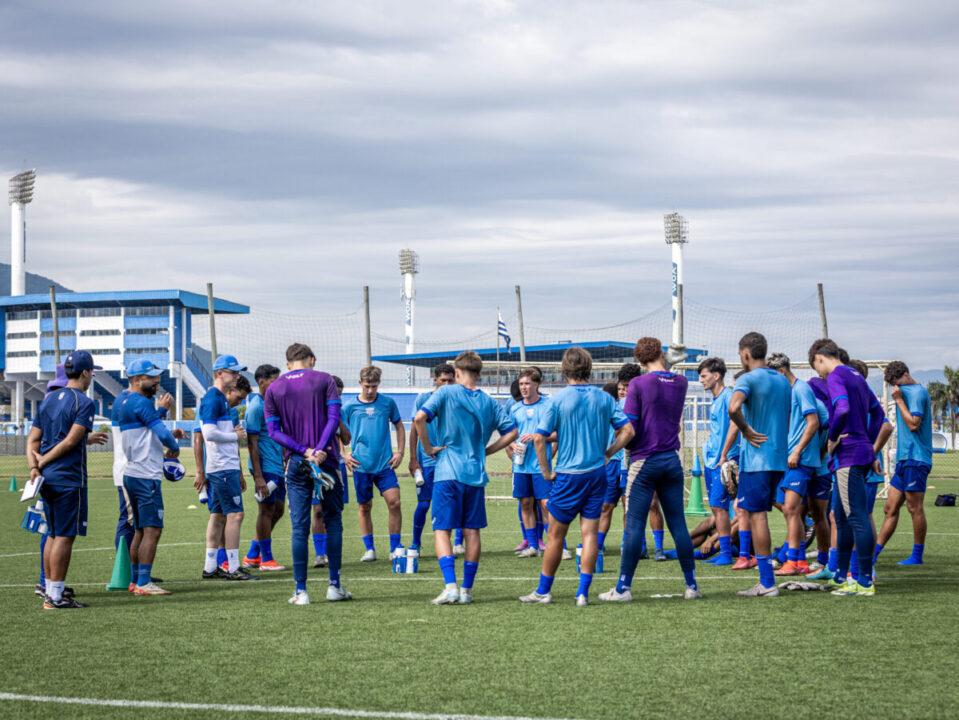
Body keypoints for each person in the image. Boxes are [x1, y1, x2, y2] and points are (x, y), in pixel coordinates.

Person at [518, 347, 632, 606]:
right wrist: (608, 453)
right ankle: (582, 593)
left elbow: (538, 437)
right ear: (589, 368)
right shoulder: (605, 398)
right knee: (589, 535)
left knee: (556, 535)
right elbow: (628, 430)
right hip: (596, 474)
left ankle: (543, 591)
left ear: (564, 369)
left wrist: (546, 471)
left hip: (569, 475)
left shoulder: (558, 400)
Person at [413, 351, 517, 605]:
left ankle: (450, 586)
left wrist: (427, 448)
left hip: (447, 472)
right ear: (479, 374)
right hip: (475, 475)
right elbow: (513, 431)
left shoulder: (446, 392)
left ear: (457, 373)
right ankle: (467, 590)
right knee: (472, 532)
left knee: (441, 530)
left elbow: (418, 419)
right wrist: (487, 450)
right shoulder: (490, 402)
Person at [599, 338, 699, 603]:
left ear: (640, 359)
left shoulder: (638, 384)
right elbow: (664, 375)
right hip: (672, 460)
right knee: (678, 522)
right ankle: (691, 585)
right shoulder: (681, 382)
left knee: (633, 524)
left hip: (644, 461)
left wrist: (609, 452)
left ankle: (622, 588)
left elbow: (629, 430)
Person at [266, 342, 350, 605]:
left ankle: (301, 591)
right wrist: (321, 449)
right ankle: (334, 586)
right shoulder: (326, 380)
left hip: (297, 462)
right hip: (327, 461)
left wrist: (305, 451)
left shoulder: (274, 388)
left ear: (288, 362)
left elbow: (274, 432)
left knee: (299, 528)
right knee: (333, 520)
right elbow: (333, 419)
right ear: (312, 359)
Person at [809, 338, 888, 596]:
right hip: (860, 451)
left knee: (856, 517)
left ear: (821, 358)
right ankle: (842, 575)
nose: (818, 373)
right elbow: (879, 416)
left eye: (815, 366)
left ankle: (864, 581)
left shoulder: (835, 376)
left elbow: (841, 409)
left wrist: (833, 438)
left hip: (849, 456)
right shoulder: (858, 376)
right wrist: (867, 438)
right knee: (841, 518)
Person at [721, 332, 791, 598]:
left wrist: (746, 429)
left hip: (757, 460)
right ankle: (788, 557)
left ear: (746, 354)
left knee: (756, 515)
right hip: (778, 459)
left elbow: (733, 407)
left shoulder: (748, 379)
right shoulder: (782, 381)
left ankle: (766, 582)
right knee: (770, 510)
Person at [27, 350, 99, 609]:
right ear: (84, 373)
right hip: (69, 479)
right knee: (65, 536)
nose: (92, 376)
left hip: (47, 479)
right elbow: (71, 440)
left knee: (53, 533)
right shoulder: (84, 402)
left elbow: (33, 439)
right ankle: (55, 596)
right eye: (92, 372)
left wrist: (34, 468)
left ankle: (50, 589)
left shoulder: (48, 400)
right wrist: (43, 461)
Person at [116, 359, 185, 595]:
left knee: (140, 530)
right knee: (152, 529)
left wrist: (161, 412)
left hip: (132, 473)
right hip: (146, 475)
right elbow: (161, 434)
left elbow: (145, 428)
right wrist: (174, 447)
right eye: (152, 377)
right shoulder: (141, 402)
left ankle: (136, 580)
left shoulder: (122, 400)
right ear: (136, 379)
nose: (157, 381)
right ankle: (144, 582)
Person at [767, 353, 826, 576]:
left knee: (791, 509)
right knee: (795, 511)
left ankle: (794, 561)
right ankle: (798, 560)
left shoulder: (801, 389)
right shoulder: (790, 392)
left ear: (781, 372)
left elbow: (815, 422)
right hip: (792, 461)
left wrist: (798, 450)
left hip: (801, 462)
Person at [197, 355, 255, 581]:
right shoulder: (213, 398)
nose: (237, 376)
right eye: (234, 372)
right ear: (220, 373)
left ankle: (211, 567)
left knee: (218, 515)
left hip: (221, 466)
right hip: (222, 467)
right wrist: (234, 435)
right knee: (235, 514)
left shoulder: (218, 398)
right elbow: (208, 433)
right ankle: (232, 567)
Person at [342, 365, 406, 561]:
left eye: (374, 386)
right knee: (364, 507)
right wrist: (344, 454)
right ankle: (369, 549)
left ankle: (394, 547)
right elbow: (338, 433)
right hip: (361, 465)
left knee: (394, 503)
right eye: (367, 385)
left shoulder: (388, 403)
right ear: (360, 383)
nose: (370, 390)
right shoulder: (349, 407)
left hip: (385, 465)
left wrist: (400, 452)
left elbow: (399, 426)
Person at [876, 361, 932, 566]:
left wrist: (899, 400)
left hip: (916, 459)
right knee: (889, 508)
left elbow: (914, 424)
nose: (897, 388)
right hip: (903, 459)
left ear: (906, 375)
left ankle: (917, 556)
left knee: (914, 507)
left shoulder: (916, 393)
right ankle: (873, 553)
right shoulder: (903, 391)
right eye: (893, 385)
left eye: (898, 383)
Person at [243, 364, 287, 571]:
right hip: (264, 467)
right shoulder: (256, 407)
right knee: (266, 510)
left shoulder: (273, 404)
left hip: (277, 465)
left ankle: (253, 554)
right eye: (274, 380)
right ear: (262, 382)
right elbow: (252, 443)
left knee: (278, 510)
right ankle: (266, 559)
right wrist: (258, 476)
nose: (279, 384)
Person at [408, 363, 455, 552]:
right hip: (427, 461)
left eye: (450, 380)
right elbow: (413, 431)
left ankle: (457, 542)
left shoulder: (457, 400)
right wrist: (413, 459)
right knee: (424, 504)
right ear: (435, 380)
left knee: (453, 502)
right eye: (443, 380)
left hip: (451, 461)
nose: (446, 384)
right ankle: (415, 544)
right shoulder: (423, 399)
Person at [698, 357, 739, 566]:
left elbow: (735, 425)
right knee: (716, 507)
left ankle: (725, 552)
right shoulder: (715, 400)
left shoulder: (728, 396)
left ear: (716, 375)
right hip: (712, 460)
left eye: (704, 376)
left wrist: (724, 454)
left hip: (725, 460)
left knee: (720, 505)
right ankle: (725, 549)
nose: (701, 380)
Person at [509, 367, 554, 558]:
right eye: (521, 384)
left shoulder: (549, 405)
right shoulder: (515, 408)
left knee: (546, 504)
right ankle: (533, 546)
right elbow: (507, 434)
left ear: (537, 384)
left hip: (540, 465)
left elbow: (558, 433)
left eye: (527, 383)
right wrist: (512, 445)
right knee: (526, 503)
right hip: (521, 466)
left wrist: (538, 437)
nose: (524, 387)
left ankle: (555, 544)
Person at [312, 374, 351, 568]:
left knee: (334, 511)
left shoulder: (339, 412)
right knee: (317, 510)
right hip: (315, 466)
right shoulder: (313, 410)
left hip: (335, 466)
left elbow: (346, 440)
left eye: (340, 395)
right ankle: (319, 554)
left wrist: (338, 419)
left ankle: (332, 553)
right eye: (336, 394)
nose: (337, 397)